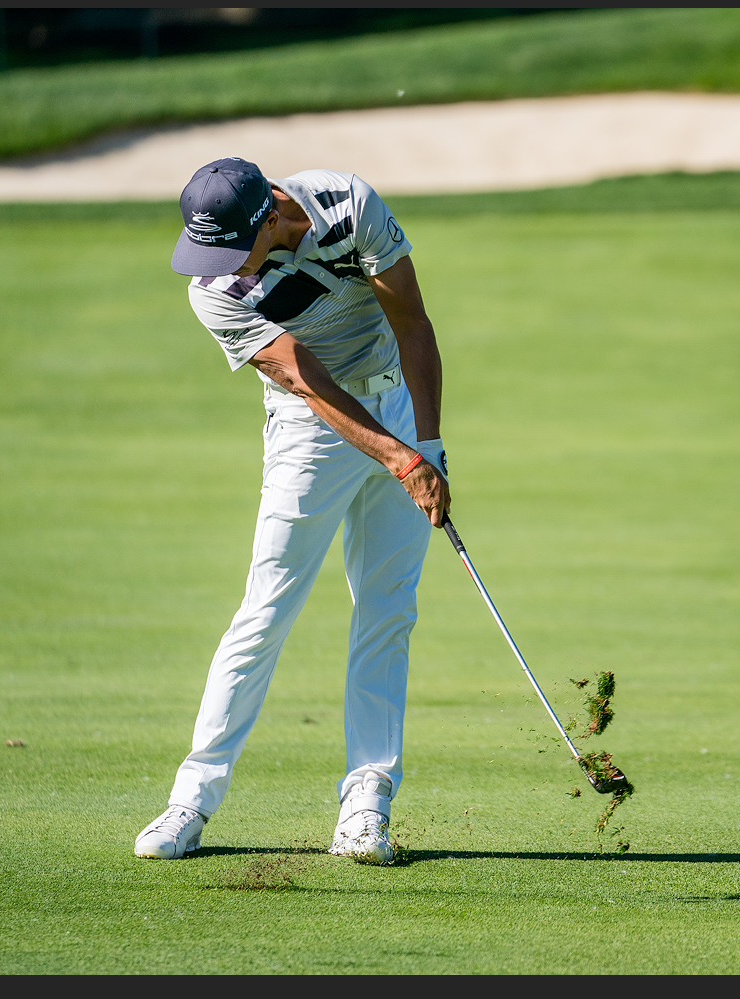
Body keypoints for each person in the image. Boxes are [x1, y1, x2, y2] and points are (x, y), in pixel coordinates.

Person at [134, 157, 450, 864]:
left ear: (271, 219)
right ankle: (191, 799)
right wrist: (401, 459)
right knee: (266, 608)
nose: (212, 266)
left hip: (395, 398)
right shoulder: (212, 291)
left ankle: (366, 803)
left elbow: (413, 322)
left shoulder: (347, 203)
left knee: (387, 606)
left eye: (227, 247)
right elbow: (304, 379)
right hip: (311, 433)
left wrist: (427, 444)